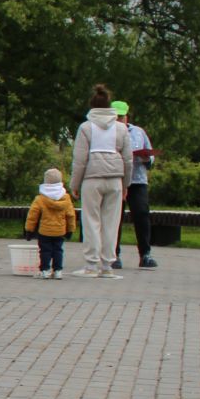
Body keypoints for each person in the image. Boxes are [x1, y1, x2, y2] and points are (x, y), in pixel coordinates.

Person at [71, 83, 131, 278]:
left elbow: (79, 160)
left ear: (92, 106)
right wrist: (126, 184)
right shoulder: (121, 128)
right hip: (115, 179)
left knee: (91, 221)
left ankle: (91, 265)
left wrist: (75, 184)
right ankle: (107, 266)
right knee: (111, 223)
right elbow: (128, 159)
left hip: (92, 178)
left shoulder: (86, 127)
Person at [114, 101, 158, 269]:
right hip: (116, 179)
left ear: (127, 116)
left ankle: (145, 254)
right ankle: (114, 254)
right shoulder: (107, 132)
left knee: (141, 214)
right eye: (116, 116)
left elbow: (150, 152)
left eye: (121, 116)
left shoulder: (138, 132)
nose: (119, 119)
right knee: (115, 217)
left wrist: (148, 158)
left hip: (137, 180)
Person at [25, 168, 76, 280]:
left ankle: (45, 270)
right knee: (58, 250)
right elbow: (71, 215)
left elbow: (32, 216)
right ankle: (58, 271)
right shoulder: (66, 198)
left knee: (45, 251)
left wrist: (29, 230)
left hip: (45, 231)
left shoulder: (41, 198)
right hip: (60, 230)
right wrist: (70, 230)